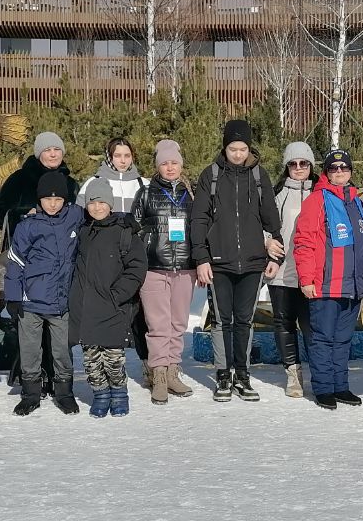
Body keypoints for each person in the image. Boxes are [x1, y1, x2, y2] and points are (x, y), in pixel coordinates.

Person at [191, 119, 284, 403]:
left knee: (244, 321)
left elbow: (271, 218)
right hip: (219, 262)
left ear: (249, 148)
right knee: (222, 321)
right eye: (233, 148)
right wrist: (201, 258)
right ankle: (223, 374)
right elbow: (198, 218)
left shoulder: (259, 176)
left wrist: (274, 255)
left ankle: (242, 375)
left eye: (242, 148)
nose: (238, 153)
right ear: (225, 147)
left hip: (254, 262)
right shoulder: (212, 175)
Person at [292, 149, 363, 410]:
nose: (339, 172)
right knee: (323, 338)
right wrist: (307, 279)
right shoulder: (317, 200)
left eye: (344, 168)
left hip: (352, 285)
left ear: (350, 171)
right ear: (326, 172)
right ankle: (324, 388)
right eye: (333, 169)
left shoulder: (356, 200)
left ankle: (340, 386)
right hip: (325, 284)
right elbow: (303, 242)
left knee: (343, 339)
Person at [4, 171, 84, 416]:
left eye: (58, 199)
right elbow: (15, 262)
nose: (53, 203)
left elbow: (98, 208)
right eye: (48, 199)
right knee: (30, 350)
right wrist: (13, 296)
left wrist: (124, 219)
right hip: (31, 302)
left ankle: (64, 393)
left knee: (61, 351)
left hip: (61, 302)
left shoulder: (74, 217)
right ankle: (30, 394)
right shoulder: (28, 226)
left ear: (65, 200)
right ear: (39, 200)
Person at [69, 179, 148, 418]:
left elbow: (137, 267)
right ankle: (100, 394)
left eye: (102, 202)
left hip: (114, 306)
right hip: (87, 306)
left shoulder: (124, 232)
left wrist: (118, 295)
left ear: (110, 204)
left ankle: (119, 393)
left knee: (113, 359)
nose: (97, 207)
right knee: (91, 360)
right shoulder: (83, 232)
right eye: (92, 202)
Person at [133, 139, 198, 405]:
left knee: (178, 323)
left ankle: (173, 370)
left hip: (185, 267)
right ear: (157, 166)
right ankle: (158, 374)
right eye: (164, 163)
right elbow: (134, 227)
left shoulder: (191, 194)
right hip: (154, 266)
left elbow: (201, 227)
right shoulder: (146, 192)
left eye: (174, 163)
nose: (170, 168)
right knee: (157, 324)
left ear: (181, 165)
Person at [268, 141, 316, 399]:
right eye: (293, 164)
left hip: (312, 273)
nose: (298, 168)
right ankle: (293, 373)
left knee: (311, 324)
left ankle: (318, 372)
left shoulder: (321, 192)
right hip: (283, 270)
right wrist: (267, 242)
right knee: (284, 322)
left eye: (304, 163)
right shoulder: (277, 194)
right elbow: (265, 223)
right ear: (286, 166)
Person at [0, 131, 81, 246]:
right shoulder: (20, 178)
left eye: (57, 149)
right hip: (23, 248)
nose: (53, 154)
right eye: (47, 150)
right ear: (39, 154)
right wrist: (25, 215)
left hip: (61, 250)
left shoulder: (71, 184)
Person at [77, 136, 147, 213]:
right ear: (109, 157)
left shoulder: (144, 184)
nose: (123, 161)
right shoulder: (92, 183)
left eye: (127, 156)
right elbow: (80, 215)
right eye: (117, 156)